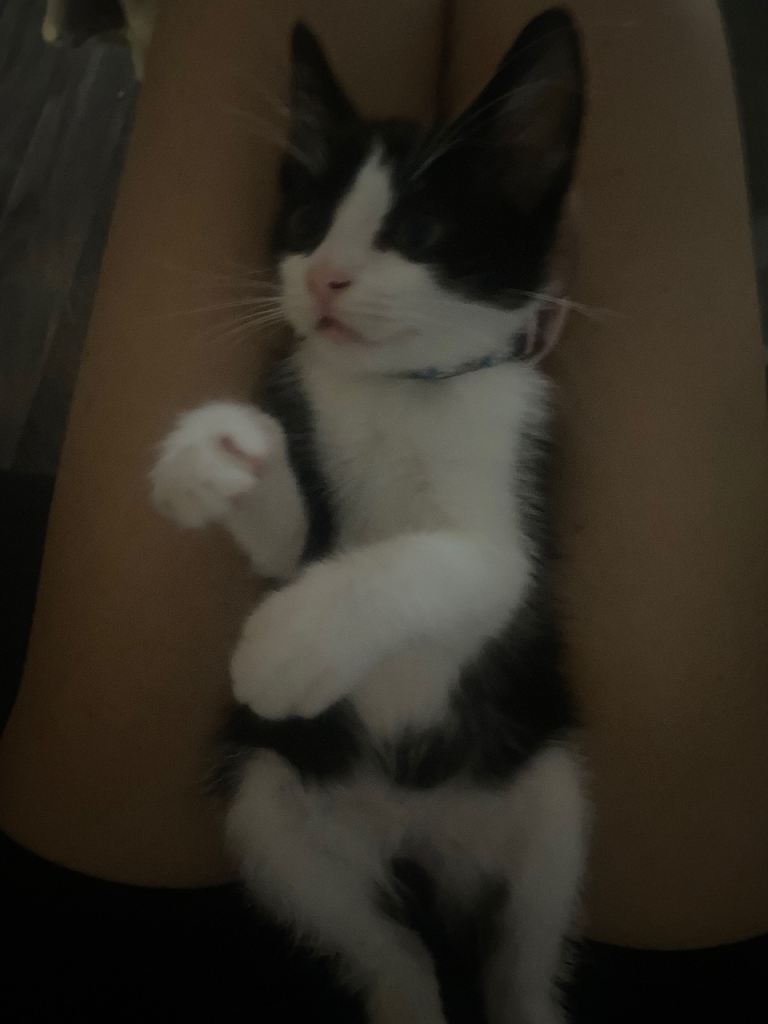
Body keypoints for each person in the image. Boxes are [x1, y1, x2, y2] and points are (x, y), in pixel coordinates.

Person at [2, 1, 767, 1019]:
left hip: (129, 924)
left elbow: (344, 560)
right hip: (613, 923)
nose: (325, 269)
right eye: (314, 231)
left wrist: (246, 489)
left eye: (400, 239)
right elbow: (330, 550)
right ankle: (420, 968)